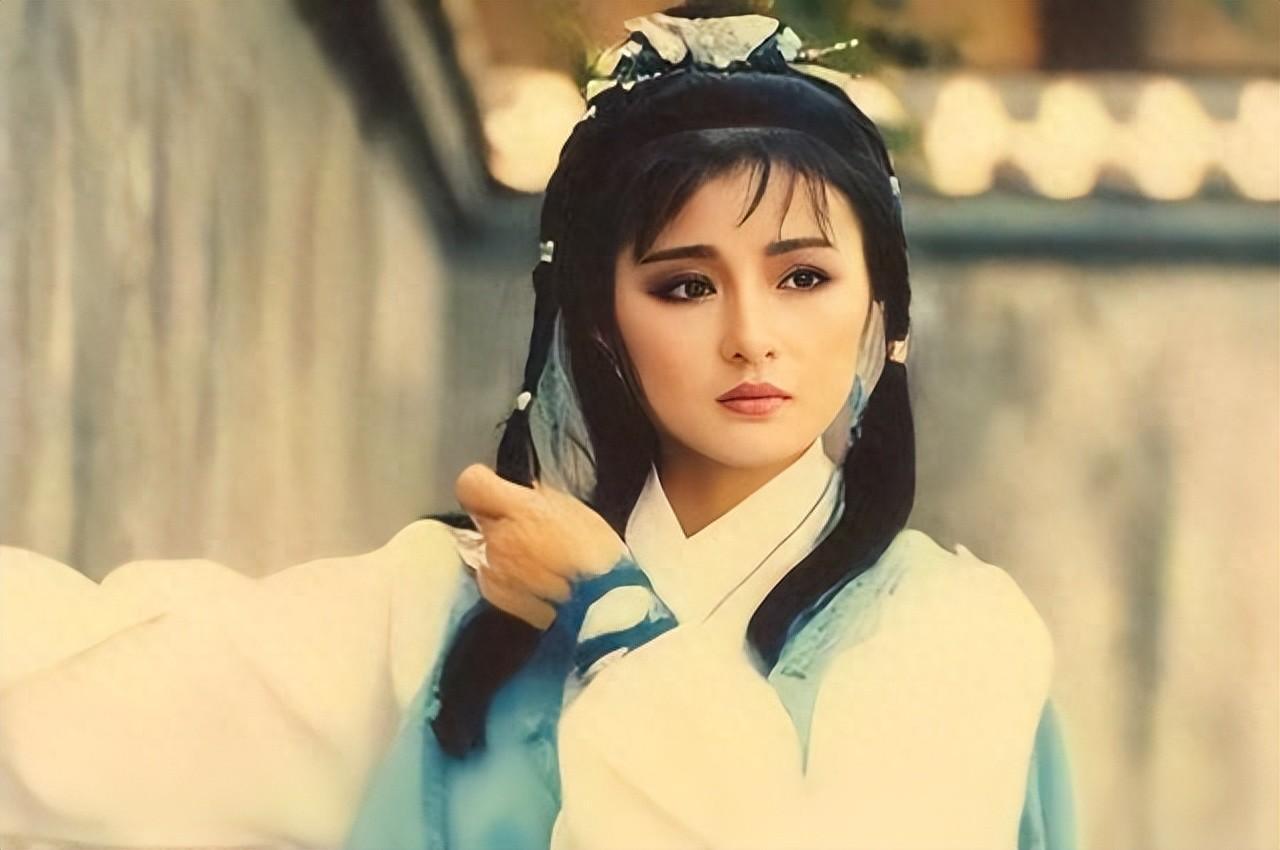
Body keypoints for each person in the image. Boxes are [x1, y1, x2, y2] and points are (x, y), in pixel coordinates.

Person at [0, 6, 1077, 849]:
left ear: (878, 304)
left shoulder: (952, 631)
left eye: (802, 277)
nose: (751, 337)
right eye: (685, 286)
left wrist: (615, 616)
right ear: (601, 323)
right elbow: (71, 731)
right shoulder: (454, 612)